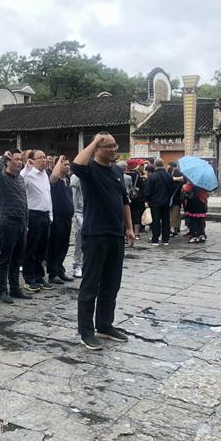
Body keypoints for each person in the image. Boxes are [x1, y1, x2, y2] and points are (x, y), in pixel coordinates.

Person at [71, 132, 136, 351]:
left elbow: (124, 201)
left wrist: (129, 228)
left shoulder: (116, 171)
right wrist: (94, 141)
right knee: (90, 285)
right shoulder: (89, 170)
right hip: (95, 234)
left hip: (116, 235)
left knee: (111, 284)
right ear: (97, 149)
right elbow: (76, 164)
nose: (114, 149)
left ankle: (105, 325)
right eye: (108, 146)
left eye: (115, 145)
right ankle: (86, 332)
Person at [0, 149, 32, 304]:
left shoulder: (20, 178)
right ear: (8, 162)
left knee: (17, 258)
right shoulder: (2, 178)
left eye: (21, 159)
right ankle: (2, 290)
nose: (19, 162)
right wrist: (4, 157)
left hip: (21, 222)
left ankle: (15, 288)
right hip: (8, 221)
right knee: (5, 258)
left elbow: (24, 201)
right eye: (16, 159)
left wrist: (26, 222)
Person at [21, 149, 52, 291]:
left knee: (42, 249)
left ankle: (39, 276)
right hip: (33, 215)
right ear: (32, 160)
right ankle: (29, 278)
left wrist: (50, 215)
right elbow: (20, 178)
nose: (44, 160)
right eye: (40, 157)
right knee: (31, 248)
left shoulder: (45, 175)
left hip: (45, 215)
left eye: (45, 157)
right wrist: (27, 167)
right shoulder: (28, 174)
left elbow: (47, 196)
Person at [47, 156, 74, 284]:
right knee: (55, 246)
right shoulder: (55, 180)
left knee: (64, 245)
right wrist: (58, 161)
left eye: (68, 164)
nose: (67, 167)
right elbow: (53, 176)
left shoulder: (67, 181)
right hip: (57, 218)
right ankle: (53, 273)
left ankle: (60, 270)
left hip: (67, 218)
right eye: (65, 164)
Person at [144, 158, 175, 245]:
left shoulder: (152, 176)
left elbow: (148, 190)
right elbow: (172, 189)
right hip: (166, 201)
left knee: (155, 221)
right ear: (163, 164)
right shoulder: (168, 176)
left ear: (155, 165)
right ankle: (166, 240)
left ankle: (155, 239)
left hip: (154, 202)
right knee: (166, 220)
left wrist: (147, 199)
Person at [125, 160, 145, 240]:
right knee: (136, 215)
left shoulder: (123, 175)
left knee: (126, 215)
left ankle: (127, 232)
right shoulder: (137, 175)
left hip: (126, 197)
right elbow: (142, 186)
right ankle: (136, 234)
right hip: (136, 198)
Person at [70, 172, 84, 278]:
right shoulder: (76, 177)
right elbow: (74, 195)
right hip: (79, 212)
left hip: (91, 211)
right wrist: (74, 212)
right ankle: (77, 264)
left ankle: (86, 263)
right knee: (79, 239)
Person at [167, 162, 184, 237]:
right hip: (178, 199)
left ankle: (172, 229)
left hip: (172, 198)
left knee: (172, 214)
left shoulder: (171, 177)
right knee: (176, 214)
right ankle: (176, 228)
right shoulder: (181, 179)